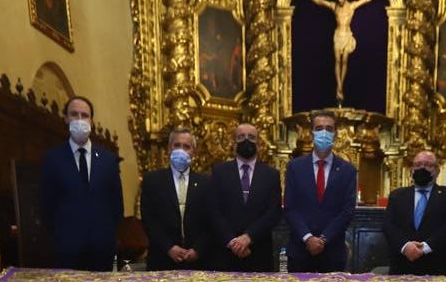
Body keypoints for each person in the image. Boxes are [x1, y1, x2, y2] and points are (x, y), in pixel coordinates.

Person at [38, 94, 123, 271]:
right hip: (67, 250)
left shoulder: (108, 160)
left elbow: (116, 206)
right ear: (66, 119)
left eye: (84, 115)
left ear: (91, 121)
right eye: (74, 114)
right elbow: (47, 206)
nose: (79, 119)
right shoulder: (53, 159)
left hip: (102, 250)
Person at [283, 111, 357, 273]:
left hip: (332, 252)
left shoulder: (347, 170)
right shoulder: (295, 167)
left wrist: (323, 239)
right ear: (311, 133)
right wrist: (308, 238)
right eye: (319, 128)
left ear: (335, 134)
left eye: (329, 129)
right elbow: (290, 208)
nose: (324, 133)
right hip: (300, 251)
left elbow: (347, 210)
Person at [209, 122, 282, 272]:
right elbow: (213, 211)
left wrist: (248, 237)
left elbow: (273, 212)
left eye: (251, 137)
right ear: (234, 143)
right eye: (241, 137)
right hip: (226, 252)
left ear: (259, 143)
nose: (246, 141)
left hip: (259, 252)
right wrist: (232, 242)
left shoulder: (271, 175)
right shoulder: (219, 171)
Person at [140, 127, 212, 270]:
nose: (181, 150)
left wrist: (198, 249)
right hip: (162, 259)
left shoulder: (206, 183)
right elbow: (149, 220)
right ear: (169, 148)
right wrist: (169, 247)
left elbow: (210, 222)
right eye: (177, 145)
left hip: (198, 262)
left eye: (186, 147)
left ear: (194, 152)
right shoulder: (152, 180)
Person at [383, 150, 446, 276]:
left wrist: (425, 248)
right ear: (412, 169)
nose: (422, 168)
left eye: (428, 165)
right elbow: (388, 225)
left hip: (436, 266)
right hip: (401, 266)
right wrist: (405, 246)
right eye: (418, 165)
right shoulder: (397, 195)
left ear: (437, 171)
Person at [301, 0, 381, 103]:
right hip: (338, 35)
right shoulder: (334, 7)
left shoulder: (352, 6)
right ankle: (339, 87)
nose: (340, 0)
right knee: (337, 61)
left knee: (344, 61)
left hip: (347, 35)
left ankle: (340, 86)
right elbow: (319, 1)